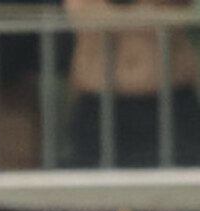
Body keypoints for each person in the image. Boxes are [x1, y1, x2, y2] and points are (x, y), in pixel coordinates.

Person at [65, 0, 200, 167]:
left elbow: (172, 9)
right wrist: (142, 15)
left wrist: (122, 16)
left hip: (169, 100)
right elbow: (84, 13)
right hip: (97, 102)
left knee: (180, 186)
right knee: (93, 187)